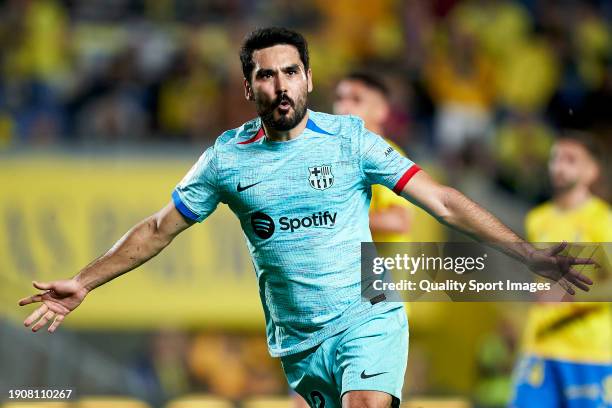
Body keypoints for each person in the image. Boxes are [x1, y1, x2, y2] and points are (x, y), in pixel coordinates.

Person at [18, 27, 593, 408]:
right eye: (266, 75)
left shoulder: (350, 141)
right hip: (298, 344)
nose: (280, 85)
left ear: (308, 79)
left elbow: (440, 200)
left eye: (291, 72)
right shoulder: (226, 159)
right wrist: (85, 282)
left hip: (368, 319)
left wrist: (532, 255)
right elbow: (156, 229)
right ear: (249, 87)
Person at [511, 133, 611, 408]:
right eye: (555, 158)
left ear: (592, 171)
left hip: (588, 351)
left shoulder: (604, 221)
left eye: (570, 160)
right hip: (539, 345)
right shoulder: (537, 218)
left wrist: (567, 298)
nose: (559, 166)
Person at [333, 71, 412, 242]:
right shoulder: (337, 154)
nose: (344, 107)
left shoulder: (384, 155)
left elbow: (399, 221)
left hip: (374, 264)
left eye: (356, 100)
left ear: (381, 111)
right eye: (340, 98)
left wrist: (334, 219)